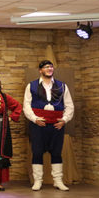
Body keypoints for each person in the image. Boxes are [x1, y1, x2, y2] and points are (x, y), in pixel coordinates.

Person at [23, 60, 74, 191]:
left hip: (57, 125)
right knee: (37, 152)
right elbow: (26, 105)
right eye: (46, 67)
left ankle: (58, 181)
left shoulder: (62, 86)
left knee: (56, 152)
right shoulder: (31, 86)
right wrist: (34, 119)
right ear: (40, 70)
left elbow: (69, 105)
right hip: (38, 124)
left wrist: (64, 120)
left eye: (51, 67)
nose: (49, 69)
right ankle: (37, 181)